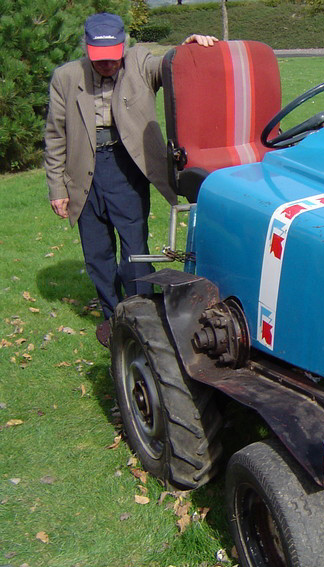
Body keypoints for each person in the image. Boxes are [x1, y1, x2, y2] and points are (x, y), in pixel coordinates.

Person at [44, 13, 217, 346]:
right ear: (87, 48)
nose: (107, 65)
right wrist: (57, 187)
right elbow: (54, 136)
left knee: (134, 248)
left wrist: (188, 48)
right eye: (100, 60)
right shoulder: (65, 77)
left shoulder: (139, 62)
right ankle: (114, 316)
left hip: (126, 166)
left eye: (113, 58)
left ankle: (144, 317)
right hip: (82, 170)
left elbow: (168, 66)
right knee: (96, 253)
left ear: (124, 47)